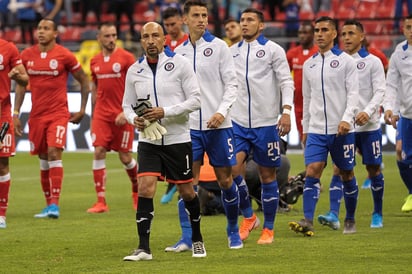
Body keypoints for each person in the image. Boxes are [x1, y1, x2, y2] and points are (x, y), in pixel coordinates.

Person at [122, 21, 206, 261]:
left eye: (155, 36)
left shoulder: (180, 64)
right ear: (141, 41)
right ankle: (143, 248)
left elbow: (196, 100)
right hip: (148, 139)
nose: (150, 40)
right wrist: (133, 119)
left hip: (178, 139)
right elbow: (127, 105)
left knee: (187, 191)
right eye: (145, 36)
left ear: (164, 39)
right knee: (146, 187)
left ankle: (197, 239)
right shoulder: (134, 70)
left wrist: (165, 111)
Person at [169, 0, 242, 250]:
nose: (202, 19)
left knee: (225, 181)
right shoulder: (177, 53)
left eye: (204, 15)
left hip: (219, 127)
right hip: (189, 129)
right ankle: (187, 238)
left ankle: (233, 229)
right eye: (196, 15)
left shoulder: (220, 46)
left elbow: (232, 84)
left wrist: (221, 112)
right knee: (187, 184)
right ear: (185, 20)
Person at [288, 16, 359, 236]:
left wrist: (348, 118)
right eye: (317, 30)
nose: (319, 33)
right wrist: (306, 128)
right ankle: (308, 220)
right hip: (317, 129)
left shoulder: (347, 62)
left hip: (342, 130)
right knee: (312, 171)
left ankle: (349, 218)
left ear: (334, 34)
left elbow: (354, 94)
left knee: (347, 174)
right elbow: (307, 99)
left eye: (324, 29)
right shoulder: (309, 64)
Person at [229, 7, 294, 245]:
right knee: (233, 169)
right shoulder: (231, 52)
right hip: (237, 122)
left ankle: (269, 229)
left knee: (268, 176)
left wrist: (286, 112)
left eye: (249, 20)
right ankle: (249, 217)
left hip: (266, 123)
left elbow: (287, 82)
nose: (244, 24)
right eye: (242, 20)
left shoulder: (273, 50)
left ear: (261, 25)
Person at [13, 18, 90, 219]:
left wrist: (82, 109)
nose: (41, 32)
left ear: (55, 33)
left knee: (54, 152)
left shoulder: (64, 55)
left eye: (46, 28)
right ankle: (48, 205)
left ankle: (55, 204)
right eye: (39, 28)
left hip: (58, 114)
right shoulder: (27, 55)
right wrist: (16, 113)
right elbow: (21, 84)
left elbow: (84, 79)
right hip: (36, 115)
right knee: (43, 158)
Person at [317, 19, 386, 230]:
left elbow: (380, 91)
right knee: (339, 168)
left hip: (368, 126)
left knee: (373, 169)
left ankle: (377, 212)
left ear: (362, 37)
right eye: (344, 34)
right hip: (345, 126)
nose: (346, 38)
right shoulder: (335, 61)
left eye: (351, 34)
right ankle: (335, 214)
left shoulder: (372, 62)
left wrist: (368, 111)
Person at [87, 22, 137, 213]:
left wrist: (128, 111)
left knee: (125, 157)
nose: (111, 39)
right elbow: (95, 87)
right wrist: (94, 114)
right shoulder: (94, 61)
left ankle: (136, 189)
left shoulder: (126, 58)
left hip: (122, 114)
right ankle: (101, 202)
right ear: (99, 38)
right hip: (101, 114)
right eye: (107, 36)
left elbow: (138, 85)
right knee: (99, 151)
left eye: (114, 35)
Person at [159, 6, 189, 204]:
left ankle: (185, 183)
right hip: (170, 101)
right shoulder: (164, 43)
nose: (170, 28)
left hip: (188, 100)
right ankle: (172, 181)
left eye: (173, 23)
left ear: (181, 20)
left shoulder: (189, 42)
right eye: (166, 25)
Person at [384, 14, 412, 213]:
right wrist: (389, 108)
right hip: (407, 114)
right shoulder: (398, 53)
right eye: (409, 27)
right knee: (401, 154)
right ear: (403, 29)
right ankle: (411, 193)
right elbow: (392, 84)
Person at [0, 38, 29, 228]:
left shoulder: (8, 48)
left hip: (1, 113)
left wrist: (15, 76)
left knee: (2, 163)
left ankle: (1, 214)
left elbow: (25, 79)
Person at [286, 20, 318, 141]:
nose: (302, 36)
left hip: (316, 103)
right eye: (300, 33)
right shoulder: (292, 53)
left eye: (306, 33)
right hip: (299, 104)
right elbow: (283, 77)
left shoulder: (318, 53)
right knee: (304, 137)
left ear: (313, 34)